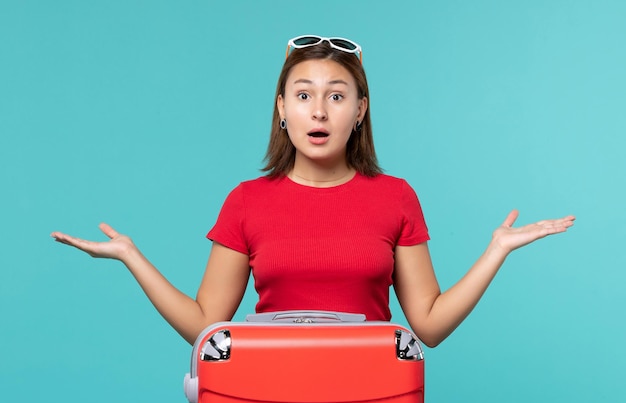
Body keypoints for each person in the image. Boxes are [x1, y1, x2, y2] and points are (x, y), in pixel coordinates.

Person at [51, 35, 575, 347]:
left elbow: (429, 326)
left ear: (360, 110)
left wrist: (496, 251)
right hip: (269, 396)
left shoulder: (396, 197)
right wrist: (132, 257)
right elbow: (206, 326)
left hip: (370, 396)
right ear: (282, 109)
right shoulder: (246, 201)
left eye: (336, 96)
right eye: (303, 95)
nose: (319, 111)